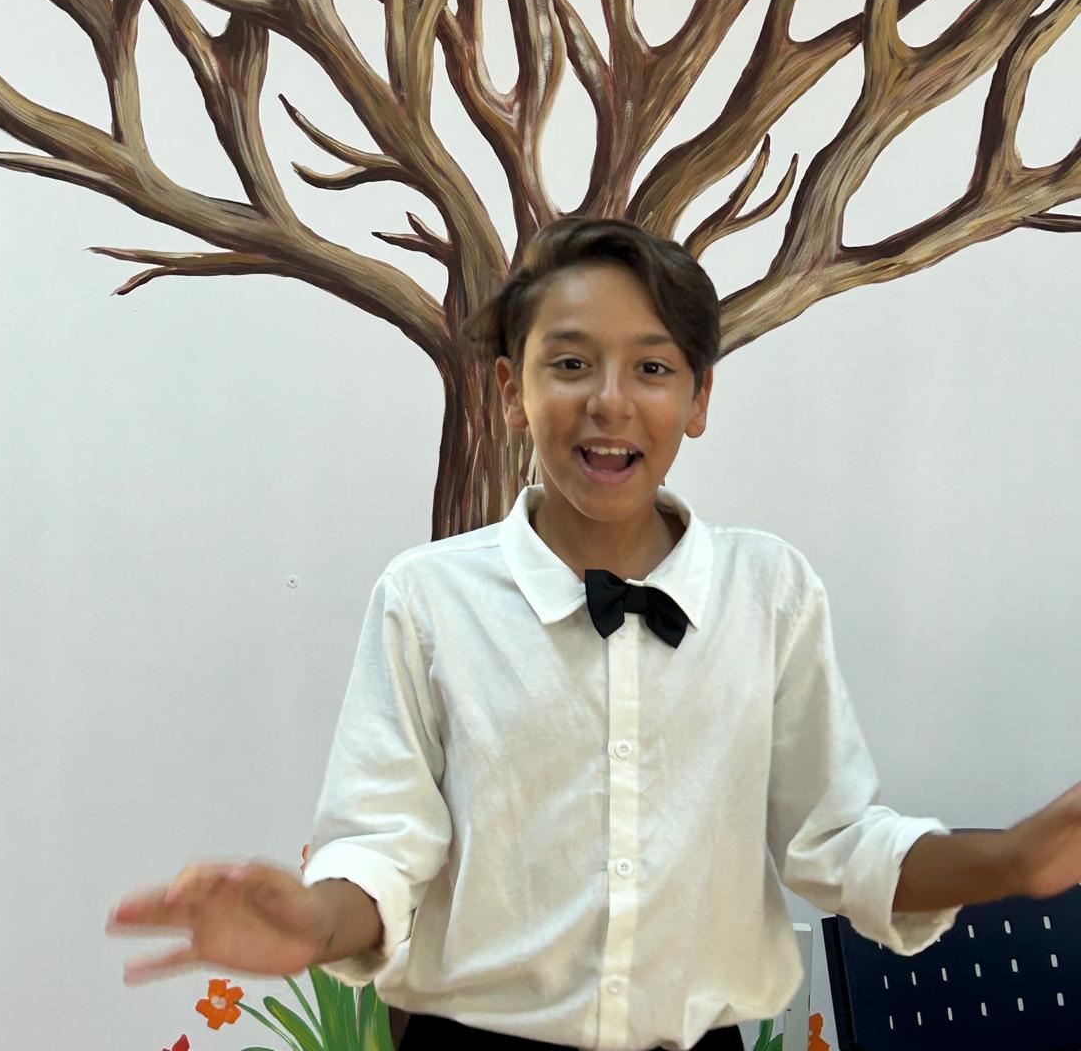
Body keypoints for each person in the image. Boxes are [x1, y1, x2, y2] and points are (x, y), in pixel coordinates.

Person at [108, 216, 1081, 1050]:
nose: (610, 401)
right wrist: (315, 924)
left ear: (698, 399)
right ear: (510, 390)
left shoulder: (769, 590)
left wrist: (1014, 861)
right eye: (570, 363)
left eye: (652, 367)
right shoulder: (428, 597)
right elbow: (382, 849)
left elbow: (835, 841)